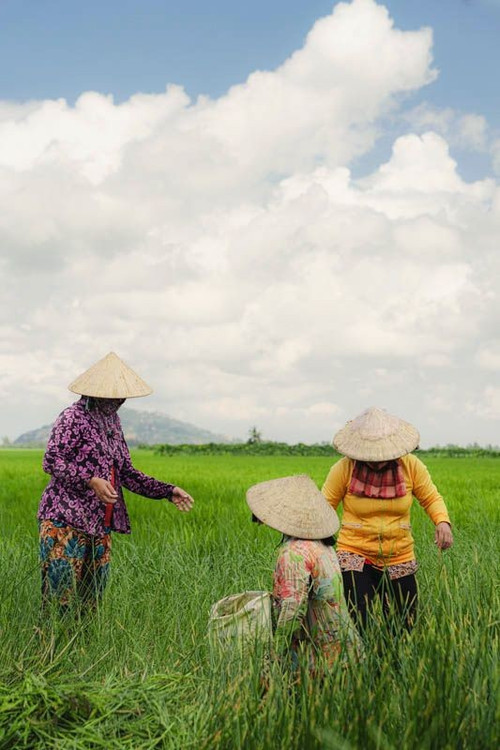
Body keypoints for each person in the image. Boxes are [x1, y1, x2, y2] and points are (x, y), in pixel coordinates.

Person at [38, 351, 194, 613]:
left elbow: (127, 472)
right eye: (113, 395)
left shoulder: (112, 421)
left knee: (91, 602)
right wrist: (91, 480)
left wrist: (168, 491)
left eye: (122, 395)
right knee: (58, 602)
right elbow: (52, 460)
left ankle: (83, 651)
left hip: (100, 524)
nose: (119, 400)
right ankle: (49, 652)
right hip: (64, 521)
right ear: (97, 392)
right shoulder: (72, 418)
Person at [322, 407, 453, 633]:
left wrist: (442, 522)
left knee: (404, 622)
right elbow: (325, 506)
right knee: (357, 617)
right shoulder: (345, 468)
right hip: (354, 551)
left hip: (399, 552)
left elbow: (431, 497)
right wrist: (308, 540)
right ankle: (360, 662)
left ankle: (393, 663)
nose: (377, 462)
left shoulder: (411, 466)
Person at [246, 474, 362, 671]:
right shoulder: (324, 546)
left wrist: (275, 655)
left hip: (320, 662)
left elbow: (293, 609)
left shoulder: (293, 553)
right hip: (348, 651)